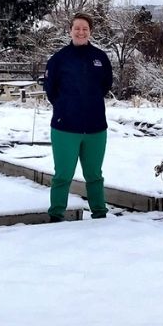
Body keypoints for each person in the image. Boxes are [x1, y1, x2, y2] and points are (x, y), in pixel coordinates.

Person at [43, 12, 113, 221]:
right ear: (70, 30)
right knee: (63, 175)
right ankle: (56, 214)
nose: (81, 32)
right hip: (65, 128)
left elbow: (105, 85)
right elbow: (51, 90)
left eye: (85, 29)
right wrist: (67, 108)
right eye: (77, 28)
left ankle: (99, 214)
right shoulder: (59, 59)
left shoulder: (100, 58)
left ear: (90, 32)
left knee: (94, 175)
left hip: (95, 127)